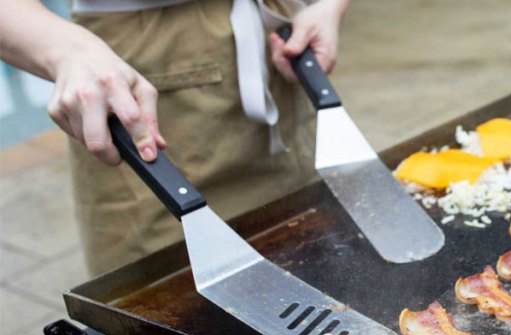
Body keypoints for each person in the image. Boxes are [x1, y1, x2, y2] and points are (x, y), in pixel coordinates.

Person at [1, 0, 352, 275]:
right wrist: (66, 52)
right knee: (164, 300)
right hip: (130, 69)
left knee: (301, 251)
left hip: (279, 47)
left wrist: (330, 3)